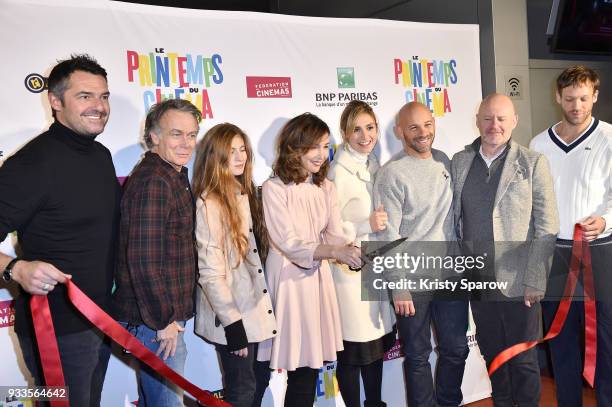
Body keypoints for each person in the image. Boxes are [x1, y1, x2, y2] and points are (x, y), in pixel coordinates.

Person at [0, 54, 119, 406]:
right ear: (55, 101)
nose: (99, 106)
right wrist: (15, 268)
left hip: (102, 320)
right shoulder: (30, 165)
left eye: (104, 96)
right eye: (85, 96)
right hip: (55, 331)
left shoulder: (101, 156)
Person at [451, 93, 558, 407]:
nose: (494, 125)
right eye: (487, 118)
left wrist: (536, 277)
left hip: (519, 281)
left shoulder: (533, 162)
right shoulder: (460, 161)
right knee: (493, 355)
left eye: (501, 118)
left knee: (523, 360)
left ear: (514, 121)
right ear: (478, 121)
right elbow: (454, 220)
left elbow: (547, 223)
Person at [257, 113, 361, 407]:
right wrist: (334, 252)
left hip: (318, 282)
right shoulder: (274, 188)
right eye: (314, 146)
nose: (322, 154)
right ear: (295, 147)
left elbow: (333, 236)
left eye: (326, 146)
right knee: (293, 367)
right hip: (289, 282)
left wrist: (351, 251)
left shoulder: (326, 187)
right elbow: (288, 242)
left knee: (310, 370)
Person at [373, 101, 469, 407]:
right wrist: (398, 284)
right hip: (412, 281)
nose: (423, 132)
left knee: (456, 349)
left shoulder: (445, 162)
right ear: (399, 131)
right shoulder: (392, 174)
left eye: (428, 124)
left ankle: (448, 403)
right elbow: (388, 234)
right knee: (417, 356)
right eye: (414, 127)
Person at [530, 65, 612, 406]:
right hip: (556, 255)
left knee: (605, 340)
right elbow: (533, 202)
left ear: (594, 95)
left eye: (583, 98)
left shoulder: (609, 137)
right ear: (557, 97)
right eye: (569, 98)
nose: (576, 105)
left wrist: (607, 219)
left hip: (600, 251)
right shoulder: (538, 144)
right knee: (560, 340)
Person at [113, 99, 200, 407]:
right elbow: (144, 261)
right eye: (176, 134)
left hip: (161, 319)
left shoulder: (170, 174)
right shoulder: (154, 181)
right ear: (153, 136)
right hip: (154, 322)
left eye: (192, 134)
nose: (186, 143)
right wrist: (164, 321)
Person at [192, 123, 276, 407]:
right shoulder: (209, 202)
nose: (240, 157)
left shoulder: (244, 192)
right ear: (215, 156)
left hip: (253, 310)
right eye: (231, 151)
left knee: (257, 381)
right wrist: (233, 325)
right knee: (242, 389)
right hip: (232, 316)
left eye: (243, 150)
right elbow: (210, 272)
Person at [327, 101, 395, 407]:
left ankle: (376, 404)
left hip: (376, 268)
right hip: (349, 274)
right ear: (344, 133)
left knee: (375, 346)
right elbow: (329, 229)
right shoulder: (336, 173)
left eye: (370, 127)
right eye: (357, 129)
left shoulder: (374, 165)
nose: (365, 135)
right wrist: (363, 225)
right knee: (354, 350)